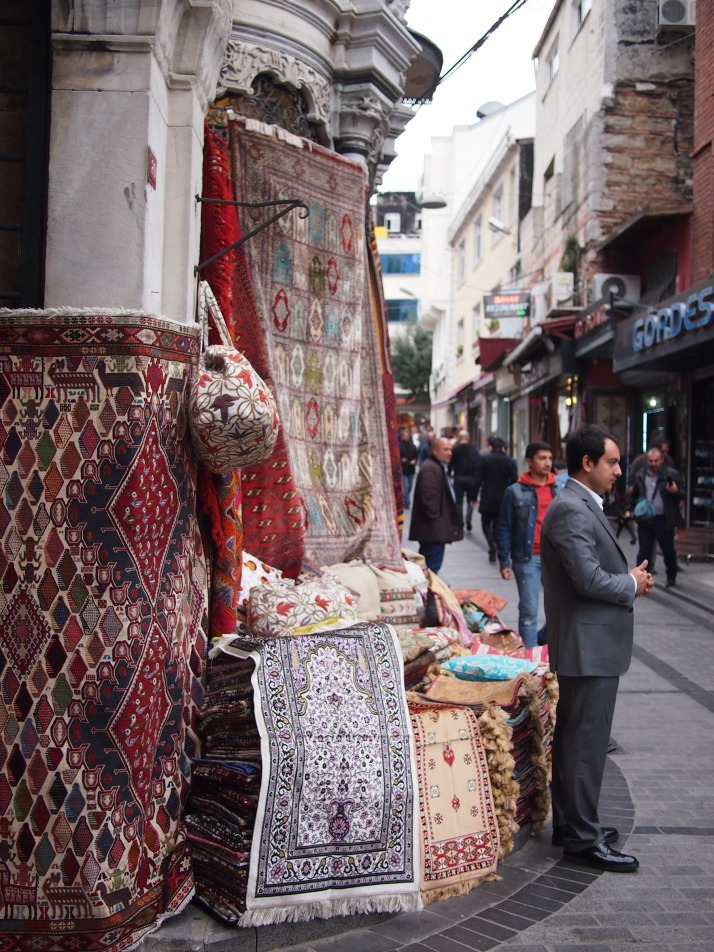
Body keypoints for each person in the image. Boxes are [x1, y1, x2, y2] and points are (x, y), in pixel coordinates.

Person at [541, 424, 652, 872]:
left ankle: (573, 825)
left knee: (575, 741)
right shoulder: (571, 508)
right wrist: (631, 582)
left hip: (588, 644)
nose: (619, 470)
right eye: (611, 462)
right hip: (587, 647)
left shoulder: (580, 503)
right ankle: (582, 839)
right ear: (587, 463)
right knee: (585, 743)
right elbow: (586, 578)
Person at [497, 441, 559, 647]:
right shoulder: (514, 491)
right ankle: (530, 662)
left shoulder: (559, 490)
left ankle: (540, 642)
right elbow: (504, 527)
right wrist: (504, 561)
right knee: (529, 612)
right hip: (527, 557)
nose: (547, 463)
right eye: (542, 458)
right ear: (530, 461)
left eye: (550, 458)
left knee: (561, 611)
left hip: (557, 557)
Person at [624, 444, 684, 588]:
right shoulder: (641, 474)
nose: (653, 464)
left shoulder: (671, 475)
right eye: (651, 461)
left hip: (663, 518)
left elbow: (682, 496)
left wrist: (675, 491)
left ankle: (671, 576)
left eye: (656, 461)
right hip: (645, 518)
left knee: (668, 550)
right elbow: (634, 494)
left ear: (662, 460)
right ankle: (641, 578)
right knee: (644, 550)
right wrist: (629, 509)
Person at [408, 436, 463, 573]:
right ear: (435, 451)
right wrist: (437, 522)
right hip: (432, 531)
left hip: (434, 530)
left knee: (430, 567)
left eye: (450, 449)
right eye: (445, 449)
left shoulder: (436, 467)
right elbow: (429, 500)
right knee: (431, 569)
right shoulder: (430, 469)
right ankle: (429, 594)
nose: (449, 453)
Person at [477, 436, 518, 562]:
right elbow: (514, 479)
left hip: (487, 496)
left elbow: (479, 478)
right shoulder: (510, 461)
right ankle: (496, 543)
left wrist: (473, 496)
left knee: (485, 523)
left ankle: (492, 543)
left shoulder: (485, 459)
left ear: (491, 447)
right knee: (498, 524)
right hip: (503, 496)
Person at [448, 429, 481, 531]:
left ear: (459, 438)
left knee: (459, 501)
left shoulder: (455, 450)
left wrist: (448, 474)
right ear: (468, 438)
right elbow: (478, 465)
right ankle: (468, 517)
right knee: (470, 500)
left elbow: (450, 464)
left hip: (459, 477)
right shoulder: (474, 450)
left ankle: (460, 521)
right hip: (471, 478)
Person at [398, 426, 418, 508]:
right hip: (404, 469)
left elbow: (416, 455)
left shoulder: (412, 446)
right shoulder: (399, 446)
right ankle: (407, 502)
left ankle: (406, 498)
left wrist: (415, 460)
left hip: (411, 469)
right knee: (406, 486)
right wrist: (401, 460)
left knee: (409, 486)